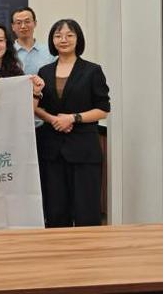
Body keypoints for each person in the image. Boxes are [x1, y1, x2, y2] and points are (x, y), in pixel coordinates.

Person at [34, 19, 110, 228]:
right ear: (52, 40)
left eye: (69, 35)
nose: (63, 39)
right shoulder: (44, 72)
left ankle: (88, 248)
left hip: (84, 150)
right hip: (52, 151)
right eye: (58, 35)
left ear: (78, 39)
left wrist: (72, 118)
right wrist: (53, 119)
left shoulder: (92, 70)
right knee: (55, 211)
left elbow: (103, 109)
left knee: (87, 211)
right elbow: (37, 107)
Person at [11, 7, 55, 76]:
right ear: (13, 27)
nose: (23, 26)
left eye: (27, 22)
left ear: (35, 23)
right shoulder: (7, 52)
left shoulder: (49, 51)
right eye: (18, 23)